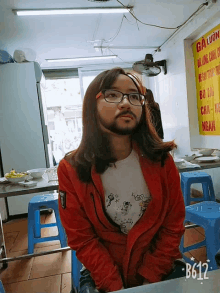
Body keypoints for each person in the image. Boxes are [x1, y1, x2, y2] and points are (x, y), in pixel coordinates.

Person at [57, 68, 186, 293]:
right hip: (104, 272)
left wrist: (150, 280)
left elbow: (173, 225)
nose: (126, 103)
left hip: (160, 266)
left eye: (134, 96)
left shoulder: (161, 160)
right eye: (113, 94)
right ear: (92, 105)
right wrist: (115, 287)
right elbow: (83, 239)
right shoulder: (71, 169)